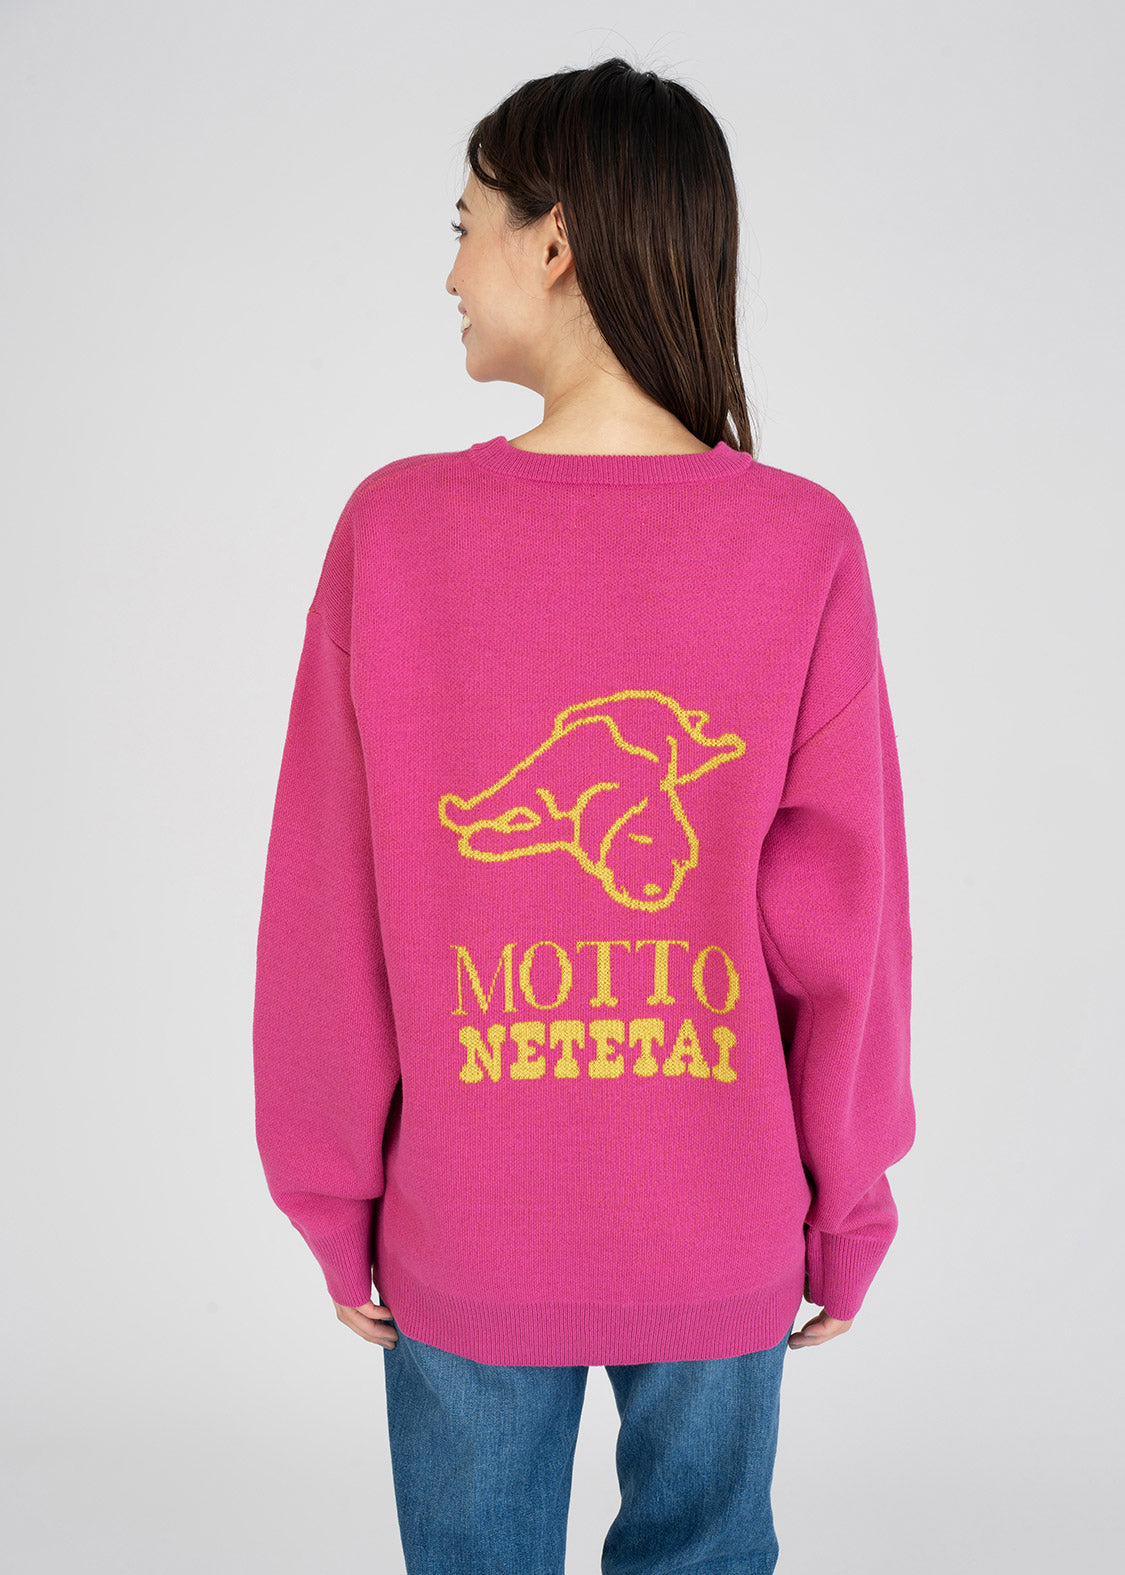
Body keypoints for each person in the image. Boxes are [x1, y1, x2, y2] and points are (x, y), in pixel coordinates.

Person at [252, 56, 916, 1575]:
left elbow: (327, 910)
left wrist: (333, 1188)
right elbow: (843, 925)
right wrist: (846, 1203)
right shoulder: (798, 541)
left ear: (553, 241)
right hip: (721, 1228)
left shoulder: (397, 531)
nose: (449, 271)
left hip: (468, 1231)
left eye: (466, 224)